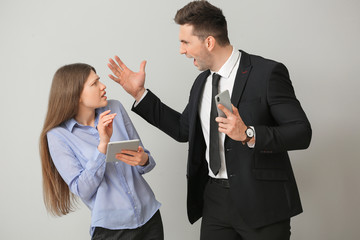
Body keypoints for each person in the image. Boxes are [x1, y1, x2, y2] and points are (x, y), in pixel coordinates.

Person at [107, 1, 312, 239]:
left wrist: (249, 134)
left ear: (209, 42)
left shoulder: (267, 73)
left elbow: (301, 132)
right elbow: (183, 130)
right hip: (215, 200)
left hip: (262, 202)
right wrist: (139, 95)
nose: (181, 50)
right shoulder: (201, 83)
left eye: (185, 42)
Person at [39, 63, 163, 240]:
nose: (103, 86)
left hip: (150, 217)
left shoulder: (115, 108)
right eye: (94, 83)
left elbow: (145, 162)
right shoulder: (58, 136)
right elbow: (82, 189)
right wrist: (103, 144)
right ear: (76, 95)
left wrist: (143, 159)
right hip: (112, 231)